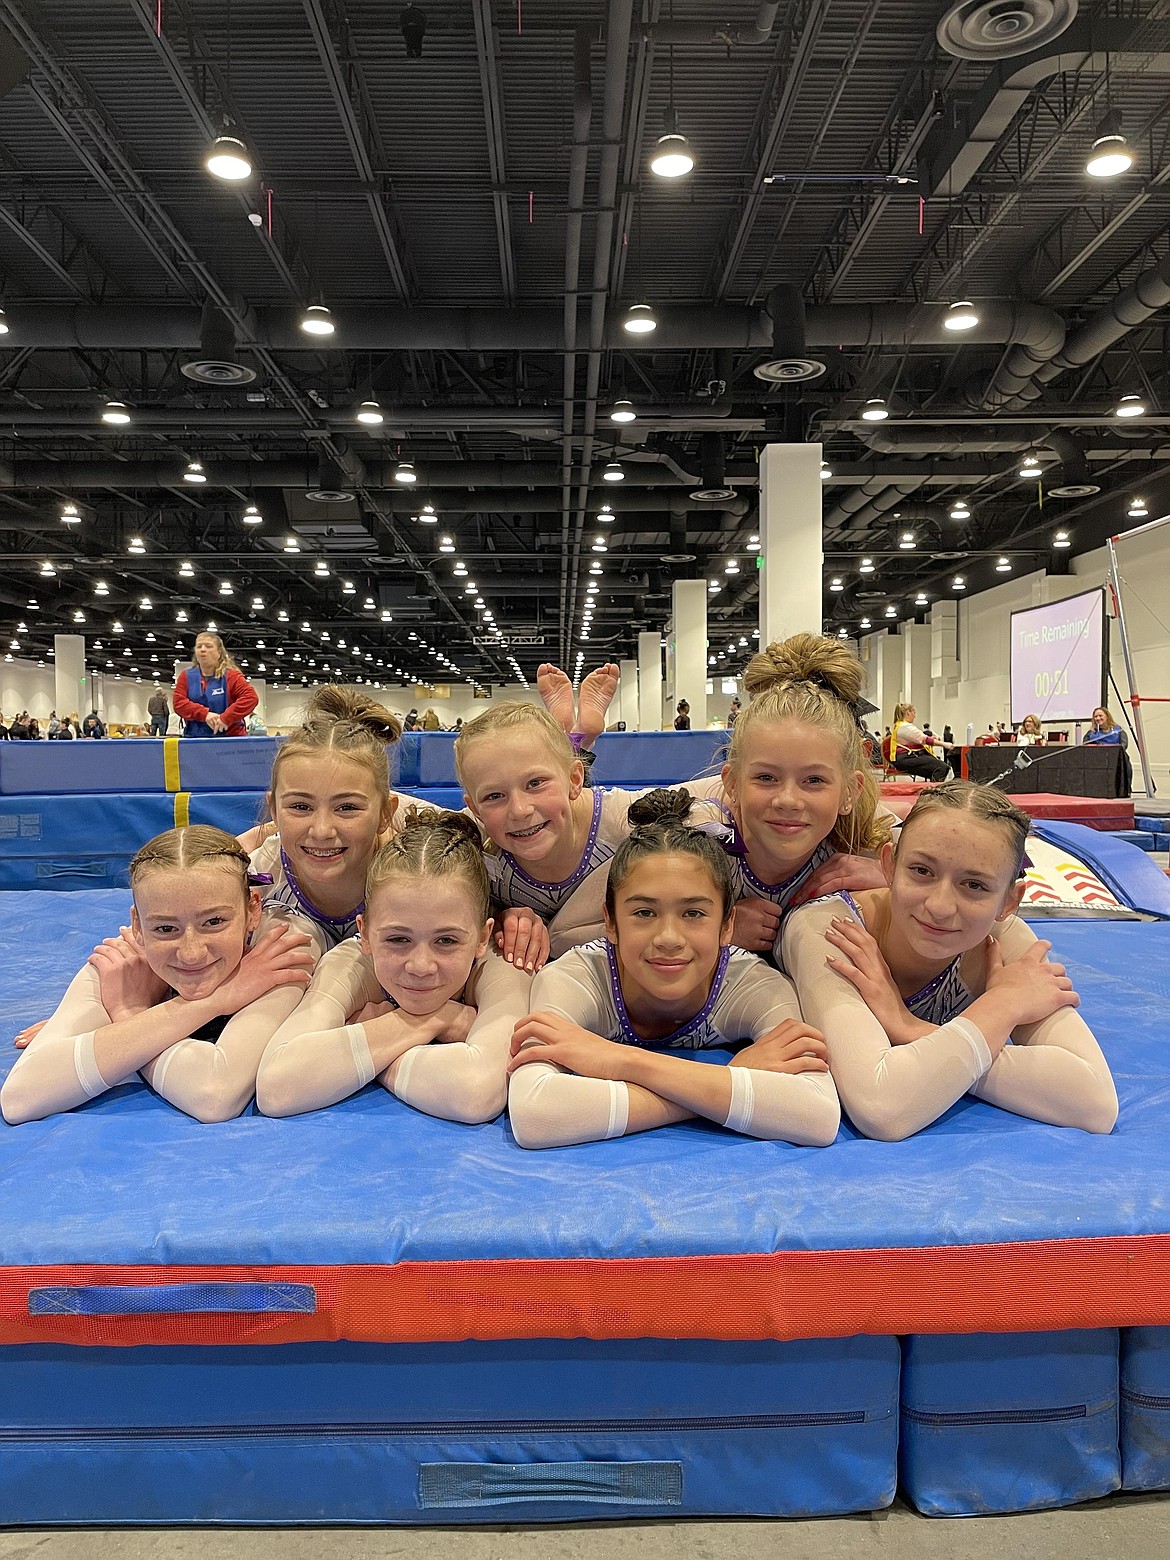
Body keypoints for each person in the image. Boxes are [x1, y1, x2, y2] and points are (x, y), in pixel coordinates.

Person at [781, 781, 1117, 1142]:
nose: (940, 907)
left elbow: (1095, 1102)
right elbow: (882, 1106)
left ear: (1008, 902)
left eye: (974, 885)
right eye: (922, 871)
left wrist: (910, 1028)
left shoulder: (1001, 942)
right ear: (889, 866)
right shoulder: (832, 929)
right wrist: (1001, 1006)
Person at [506, 791, 840, 1150]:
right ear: (611, 923)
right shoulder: (575, 978)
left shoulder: (753, 985)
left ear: (727, 926)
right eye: (644, 913)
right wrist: (729, 1080)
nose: (668, 938)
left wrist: (622, 1061)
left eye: (693, 914)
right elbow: (534, 1114)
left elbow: (817, 1114)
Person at [1, 826, 315, 1126]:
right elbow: (20, 1099)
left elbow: (215, 1094)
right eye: (165, 928)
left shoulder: (282, 946)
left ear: (253, 911)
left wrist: (128, 1017)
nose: (191, 953)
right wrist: (215, 1002)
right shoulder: (128, 960)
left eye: (214, 922)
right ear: (137, 924)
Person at [257, 811, 531, 1121]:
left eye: (446, 941)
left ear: (483, 936)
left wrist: (362, 1046)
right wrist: (436, 1020)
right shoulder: (353, 963)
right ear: (365, 934)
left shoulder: (503, 960)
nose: (421, 966)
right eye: (398, 940)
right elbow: (277, 1087)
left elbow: (476, 1094)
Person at [684, 633, 894, 954]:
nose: (788, 800)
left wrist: (898, 877)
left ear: (850, 792)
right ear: (732, 784)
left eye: (813, 780)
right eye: (766, 777)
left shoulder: (865, 845)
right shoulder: (703, 845)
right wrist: (712, 927)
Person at [172, 633, 258, 737]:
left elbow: (250, 698)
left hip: (229, 738)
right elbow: (178, 703)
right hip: (195, 738)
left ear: (219, 652)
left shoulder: (231, 676)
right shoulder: (185, 676)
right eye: (199, 646)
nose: (203, 649)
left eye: (208, 646)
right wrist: (205, 715)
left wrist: (226, 718)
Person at [888, 703, 948, 782]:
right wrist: (945, 744)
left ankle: (932, 788)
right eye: (914, 712)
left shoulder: (899, 725)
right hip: (905, 758)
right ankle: (935, 791)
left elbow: (916, 741)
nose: (915, 715)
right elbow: (924, 739)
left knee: (936, 768)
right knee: (942, 767)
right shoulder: (905, 727)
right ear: (908, 712)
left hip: (903, 758)